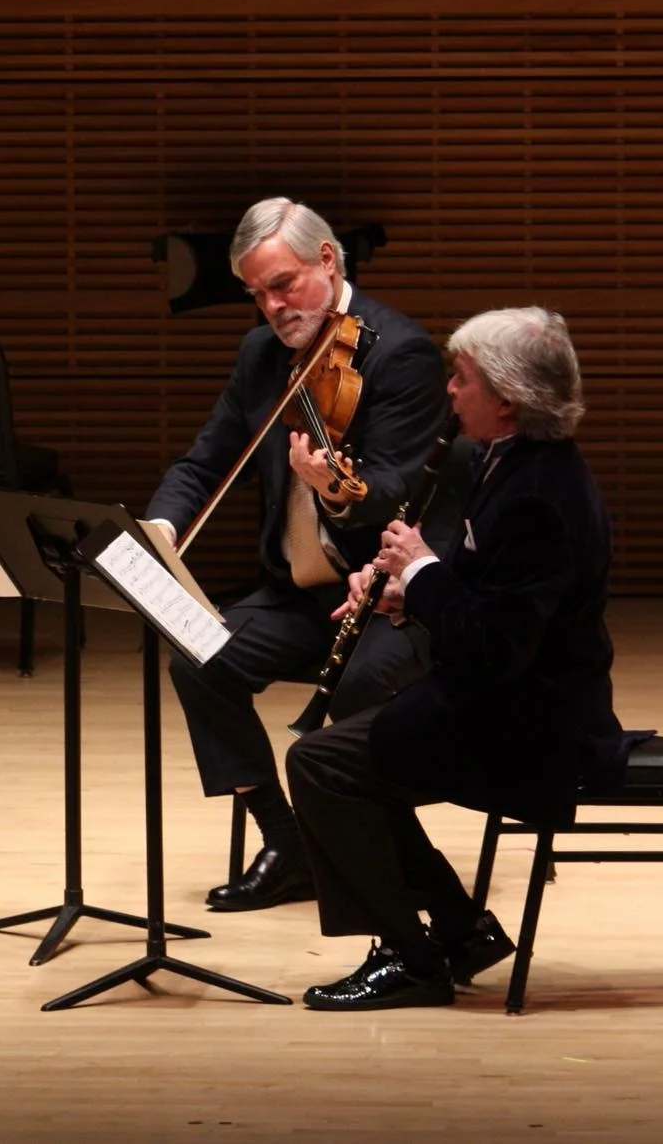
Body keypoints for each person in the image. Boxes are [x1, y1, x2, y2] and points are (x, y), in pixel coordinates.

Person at [289, 307, 633, 1009]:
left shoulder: (538, 492)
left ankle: (414, 957)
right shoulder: (518, 463)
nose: (450, 390)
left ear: (506, 399)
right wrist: (403, 596)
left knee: (324, 765)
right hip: (510, 699)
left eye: (462, 377)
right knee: (339, 759)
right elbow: (492, 598)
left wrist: (420, 572)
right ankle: (458, 929)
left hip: (534, 725)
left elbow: (496, 646)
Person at [145, 197, 451, 910]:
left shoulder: (398, 353)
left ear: (327, 259)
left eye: (283, 285)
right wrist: (161, 529)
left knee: (354, 693)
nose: (273, 306)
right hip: (298, 595)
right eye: (256, 293)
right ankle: (287, 842)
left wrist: (341, 493)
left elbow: (400, 492)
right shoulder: (263, 354)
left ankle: (370, 851)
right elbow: (205, 459)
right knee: (197, 659)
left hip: (386, 603)